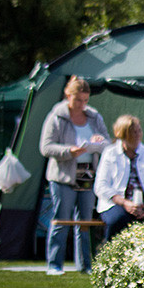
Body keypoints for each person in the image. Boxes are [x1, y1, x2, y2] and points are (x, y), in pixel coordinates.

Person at [39, 76, 110, 275]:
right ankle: (54, 264)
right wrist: (69, 151)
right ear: (67, 96)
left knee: (84, 222)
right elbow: (46, 147)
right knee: (62, 219)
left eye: (85, 100)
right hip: (63, 175)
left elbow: (107, 143)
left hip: (86, 172)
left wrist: (99, 141)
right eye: (78, 100)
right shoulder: (56, 116)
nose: (82, 104)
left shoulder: (94, 116)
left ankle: (85, 265)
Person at [94, 114, 144, 241]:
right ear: (123, 134)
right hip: (117, 204)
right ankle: (112, 256)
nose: (138, 134)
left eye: (139, 130)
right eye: (133, 132)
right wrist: (124, 203)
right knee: (118, 219)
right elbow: (101, 186)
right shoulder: (109, 154)